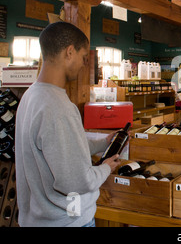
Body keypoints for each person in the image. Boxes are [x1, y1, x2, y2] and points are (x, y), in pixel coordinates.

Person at [15, 21, 121, 227]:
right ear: (69, 52)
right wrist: (106, 169)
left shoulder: (31, 96)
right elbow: (76, 181)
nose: (84, 65)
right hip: (67, 221)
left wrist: (103, 143)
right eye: (83, 57)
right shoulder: (58, 108)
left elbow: (61, 150)